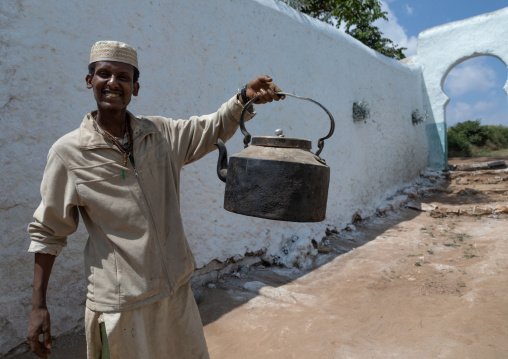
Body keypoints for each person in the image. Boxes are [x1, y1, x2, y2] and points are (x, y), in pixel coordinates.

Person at [27, 40, 284, 359]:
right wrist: (38, 307)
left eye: (123, 77)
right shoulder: (69, 154)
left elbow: (212, 127)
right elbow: (48, 232)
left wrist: (244, 96)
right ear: (89, 81)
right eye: (103, 74)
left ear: (135, 87)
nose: (112, 83)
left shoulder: (160, 135)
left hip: (176, 296)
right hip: (122, 308)